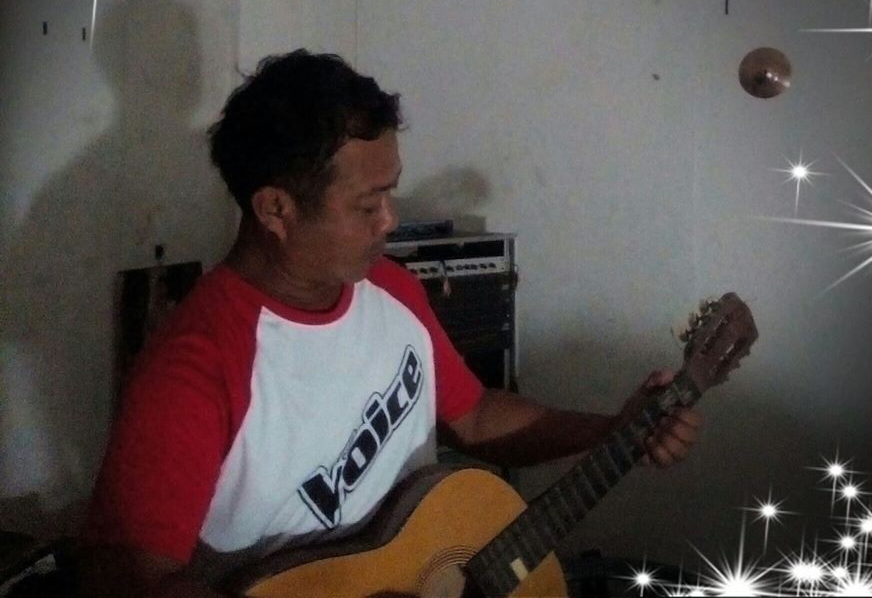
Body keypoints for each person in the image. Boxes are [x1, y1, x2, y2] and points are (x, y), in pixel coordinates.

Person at [79, 50, 703, 598]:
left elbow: (475, 416)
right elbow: (127, 579)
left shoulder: (388, 288)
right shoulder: (195, 366)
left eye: (390, 193)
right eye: (367, 204)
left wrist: (614, 429)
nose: (390, 220)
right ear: (276, 209)